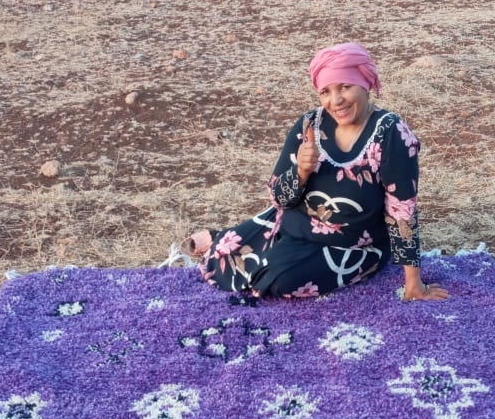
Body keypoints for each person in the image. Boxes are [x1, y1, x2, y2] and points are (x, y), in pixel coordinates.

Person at [183, 43, 448, 302]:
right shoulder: (309, 124)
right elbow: (278, 197)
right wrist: (301, 171)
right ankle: (223, 236)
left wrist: (414, 284)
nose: (336, 101)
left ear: (366, 84)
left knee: (279, 280)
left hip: (352, 244)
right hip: (293, 224)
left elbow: (402, 210)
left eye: (345, 86)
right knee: (224, 258)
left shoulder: (391, 134)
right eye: (326, 92)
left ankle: (263, 250)